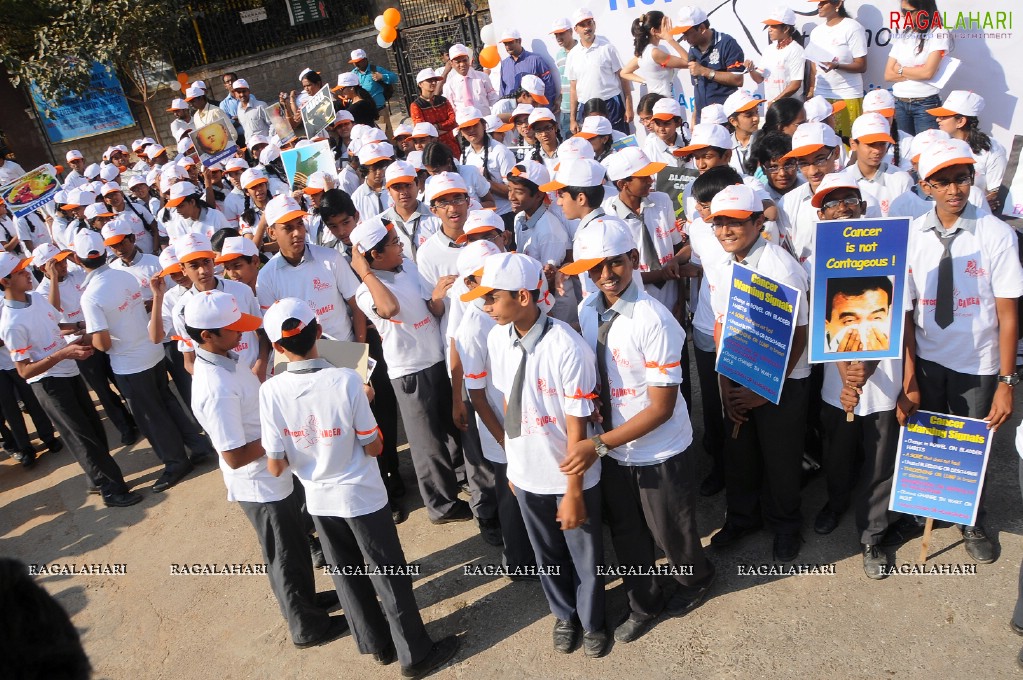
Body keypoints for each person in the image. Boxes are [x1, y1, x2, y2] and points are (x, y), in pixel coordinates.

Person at [259, 297, 459, 675]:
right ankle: (415, 655)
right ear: (319, 332)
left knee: (347, 574)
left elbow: (275, 465)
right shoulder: (346, 380)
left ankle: (376, 643)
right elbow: (374, 445)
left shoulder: (270, 391)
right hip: (361, 495)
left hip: (319, 500)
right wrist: (363, 402)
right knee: (388, 573)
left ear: (276, 348)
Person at [562, 219, 714, 642]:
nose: (606, 276)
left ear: (633, 260)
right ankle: (643, 601)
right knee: (626, 532)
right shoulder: (587, 308)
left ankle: (696, 580)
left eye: (614, 264)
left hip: (656, 451)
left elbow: (662, 408)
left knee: (672, 531)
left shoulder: (655, 319)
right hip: (613, 450)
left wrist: (596, 444)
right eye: (595, 268)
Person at [183, 289, 346, 647]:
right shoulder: (216, 386)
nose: (242, 333)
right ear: (206, 335)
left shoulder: (223, 359)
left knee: (295, 544)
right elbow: (235, 455)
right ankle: (307, 626)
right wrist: (280, 438)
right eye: (233, 328)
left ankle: (306, 601)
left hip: (273, 475)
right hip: (259, 482)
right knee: (284, 554)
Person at [466, 251, 608, 657]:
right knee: (547, 554)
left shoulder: (566, 345)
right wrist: (515, 461)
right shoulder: (497, 338)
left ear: (524, 297)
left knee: (585, 556)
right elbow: (510, 406)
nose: (486, 306)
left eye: (493, 297)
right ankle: (564, 615)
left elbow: (578, 427)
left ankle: (594, 621)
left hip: (568, 474)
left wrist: (574, 489)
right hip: (527, 471)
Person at [899, 138, 1023, 564]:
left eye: (962, 178)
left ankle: (972, 518)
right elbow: (906, 315)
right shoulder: (912, 235)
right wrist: (909, 377)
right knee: (930, 439)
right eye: (943, 180)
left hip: (980, 364)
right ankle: (928, 508)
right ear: (925, 185)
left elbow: (1009, 315)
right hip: (930, 359)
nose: (954, 189)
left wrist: (1007, 383)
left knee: (972, 445)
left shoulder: (997, 235)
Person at [707, 184, 810, 562]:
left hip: (782, 383)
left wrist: (767, 390)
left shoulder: (781, 268)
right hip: (737, 372)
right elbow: (722, 325)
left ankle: (785, 525)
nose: (725, 231)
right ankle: (742, 517)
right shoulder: (724, 264)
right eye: (719, 223)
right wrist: (724, 384)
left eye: (734, 223)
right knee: (739, 453)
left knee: (780, 458)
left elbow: (800, 332)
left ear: (755, 222)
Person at [810, 173, 905, 579]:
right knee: (837, 453)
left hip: (885, 384)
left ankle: (872, 534)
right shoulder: (816, 259)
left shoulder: (895, 252)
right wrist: (846, 372)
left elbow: (904, 321)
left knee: (880, 461)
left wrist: (884, 373)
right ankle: (835, 502)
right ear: (822, 215)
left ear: (864, 208)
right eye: (832, 204)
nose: (842, 208)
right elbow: (819, 326)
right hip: (838, 386)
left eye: (849, 199)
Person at [348, 217, 471, 528]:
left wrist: (437, 299)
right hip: (410, 372)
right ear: (375, 255)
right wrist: (364, 272)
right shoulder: (367, 290)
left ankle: (457, 479)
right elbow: (388, 310)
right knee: (427, 443)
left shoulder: (407, 269)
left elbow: (433, 308)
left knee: (450, 428)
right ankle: (441, 505)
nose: (401, 247)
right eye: (393, 244)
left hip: (436, 360)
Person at [77, 229, 214, 494]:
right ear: (104, 252)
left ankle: (175, 462)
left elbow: (103, 344)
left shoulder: (90, 296)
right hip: (151, 353)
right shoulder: (124, 277)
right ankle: (198, 446)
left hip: (129, 364)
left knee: (151, 416)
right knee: (167, 401)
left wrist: (89, 336)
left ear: (77, 259)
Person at [0, 251, 140, 507]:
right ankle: (113, 490)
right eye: (20, 272)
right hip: (50, 384)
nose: (27, 274)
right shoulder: (10, 323)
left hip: (68, 371)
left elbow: (52, 320)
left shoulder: (35, 299)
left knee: (93, 430)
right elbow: (24, 371)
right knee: (83, 436)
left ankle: (96, 480)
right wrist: (62, 353)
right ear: (5, 282)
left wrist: (80, 334)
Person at [255, 195, 365, 345]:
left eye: (300, 224)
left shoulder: (331, 258)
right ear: (272, 233)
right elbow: (273, 329)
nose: (298, 233)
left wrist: (360, 349)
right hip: (301, 360)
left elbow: (357, 304)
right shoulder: (266, 277)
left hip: (345, 351)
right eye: (288, 227)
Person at [927, 91, 1007, 211]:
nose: (938, 120)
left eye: (943, 116)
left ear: (961, 121)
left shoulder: (991, 149)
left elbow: (996, 192)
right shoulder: (936, 142)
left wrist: (978, 205)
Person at [883, 0, 949, 135]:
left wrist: (900, 69)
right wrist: (916, 71)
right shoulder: (905, 34)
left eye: (909, 12)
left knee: (926, 151)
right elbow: (888, 74)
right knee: (903, 151)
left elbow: (927, 73)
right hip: (900, 102)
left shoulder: (938, 32)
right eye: (903, 12)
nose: (905, 16)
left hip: (925, 103)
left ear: (924, 9)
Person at [806, 0, 868, 138]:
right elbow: (814, 66)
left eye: (823, 2)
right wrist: (811, 90)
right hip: (821, 95)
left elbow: (862, 65)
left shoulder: (853, 27)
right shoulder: (816, 32)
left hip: (847, 95)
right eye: (818, 3)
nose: (819, 6)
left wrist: (837, 66)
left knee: (847, 143)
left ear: (838, 4)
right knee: (824, 142)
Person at [565, 9, 632, 135]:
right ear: (576, 29)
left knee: (619, 142)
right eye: (582, 25)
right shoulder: (573, 55)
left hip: (611, 105)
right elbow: (573, 88)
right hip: (586, 107)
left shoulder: (607, 48)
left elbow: (623, 78)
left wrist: (628, 108)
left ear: (594, 24)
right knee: (593, 146)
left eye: (589, 23)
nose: (587, 28)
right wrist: (572, 119)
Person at [673, 5, 744, 122]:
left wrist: (705, 71)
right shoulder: (693, 49)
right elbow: (697, 86)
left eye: (686, 33)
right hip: (703, 119)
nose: (684, 38)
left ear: (701, 28)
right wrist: (695, 117)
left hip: (725, 118)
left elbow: (738, 79)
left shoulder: (727, 43)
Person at [458, 107, 517, 229]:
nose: (471, 130)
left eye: (474, 125)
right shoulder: (464, 155)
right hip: (478, 220)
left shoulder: (501, 152)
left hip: (504, 215)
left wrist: (484, 182)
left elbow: (514, 192)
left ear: (484, 125)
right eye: (466, 128)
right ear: (461, 132)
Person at [846, 112, 915, 217]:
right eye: (871, 145)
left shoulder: (901, 179)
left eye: (882, 144)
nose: (877, 150)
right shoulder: (842, 179)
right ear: (853, 144)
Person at [745, 7, 806, 106]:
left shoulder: (796, 50)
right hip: (772, 108)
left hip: (790, 108)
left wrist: (775, 101)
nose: (769, 30)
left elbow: (795, 84)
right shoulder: (769, 49)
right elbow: (759, 79)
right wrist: (751, 69)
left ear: (786, 28)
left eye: (773, 26)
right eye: (769, 26)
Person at [622, 10, 689, 100]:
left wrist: (646, 81)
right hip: (664, 103)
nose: (668, 28)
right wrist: (670, 40)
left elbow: (624, 72)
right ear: (654, 31)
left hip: (659, 102)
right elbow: (689, 62)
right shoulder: (655, 52)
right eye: (664, 25)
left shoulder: (644, 51)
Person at [498, 29, 557, 105]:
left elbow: (549, 85)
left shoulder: (536, 60)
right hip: (511, 111)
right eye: (505, 44)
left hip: (532, 110)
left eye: (510, 42)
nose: (507, 46)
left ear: (519, 41)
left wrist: (547, 107)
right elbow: (502, 88)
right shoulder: (504, 64)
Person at [348, 48, 398, 134]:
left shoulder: (375, 70)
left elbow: (394, 77)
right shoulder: (353, 74)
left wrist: (383, 77)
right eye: (354, 62)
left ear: (365, 60)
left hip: (379, 111)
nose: (356, 64)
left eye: (358, 61)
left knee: (385, 134)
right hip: (363, 113)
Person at [410, 69, 458, 155]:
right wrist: (446, 129)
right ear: (420, 84)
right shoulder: (415, 105)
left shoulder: (443, 100)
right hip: (433, 148)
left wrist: (436, 126)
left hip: (451, 143)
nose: (433, 83)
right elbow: (423, 130)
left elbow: (454, 121)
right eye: (429, 80)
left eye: (435, 80)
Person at [443, 43, 499, 116]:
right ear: (451, 63)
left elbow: (493, 99)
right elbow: (451, 109)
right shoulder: (449, 85)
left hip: (484, 120)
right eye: (458, 62)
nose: (462, 64)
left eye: (464, 60)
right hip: (464, 124)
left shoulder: (482, 77)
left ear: (469, 59)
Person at [642, 98, 691, 169]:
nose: (661, 128)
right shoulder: (650, 150)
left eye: (666, 123)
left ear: (678, 123)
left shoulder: (689, 144)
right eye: (657, 123)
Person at [723, 90, 762, 177]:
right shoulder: (724, 146)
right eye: (749, 115)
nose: (756, 118)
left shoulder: (766, 141)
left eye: (757, 112)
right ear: (733, 121)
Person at [550, 18, 578, 138]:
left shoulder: (581, 50)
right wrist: (560, 98)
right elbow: (565, 81)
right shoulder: (559, 55)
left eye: (561, 33)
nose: (558, 38)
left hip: (581, 109)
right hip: (565, 110)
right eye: (556, 35)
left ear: (571, 32)